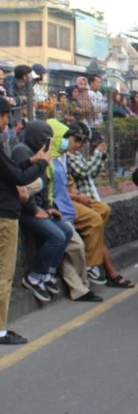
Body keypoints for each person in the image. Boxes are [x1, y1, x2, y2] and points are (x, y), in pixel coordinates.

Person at [0, 97, 50, 345]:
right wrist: (41, 164)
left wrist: (33, 160)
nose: (7, 121)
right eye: (6, 116)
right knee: (3, 275)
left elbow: (11, 169)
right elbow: (18, 177)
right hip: (4, 216)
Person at [65, 122, 135, 288]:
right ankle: (96, 268)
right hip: (76, 203)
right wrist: (97, 154)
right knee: (96, 227)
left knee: (102, 218)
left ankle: (107, 272)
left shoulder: (74, 154)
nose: (79, 145)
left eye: (83, 142)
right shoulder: (65, 156)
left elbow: (91, 172)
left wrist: (101, 156)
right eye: (77, 140)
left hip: (88, 199)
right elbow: (84, 171)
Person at [11, 120, 72, 303]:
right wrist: (35, 210)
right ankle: (35, 276)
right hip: (25, 210)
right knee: (57, 237)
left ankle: (48, 273)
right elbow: (22, 184)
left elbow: (44, 184)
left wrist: (47, 207)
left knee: (67, 231)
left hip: (38, 208)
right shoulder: (22, 151)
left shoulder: (40, 154)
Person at [46, 119, 102, 302]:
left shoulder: (61, 158)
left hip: (66, 211)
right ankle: (83, 282)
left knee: (70, 249)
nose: (67, 142)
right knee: (75, 246)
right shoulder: (47, 161)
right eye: (63, 137)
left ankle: (80, 288)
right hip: (58, 213)